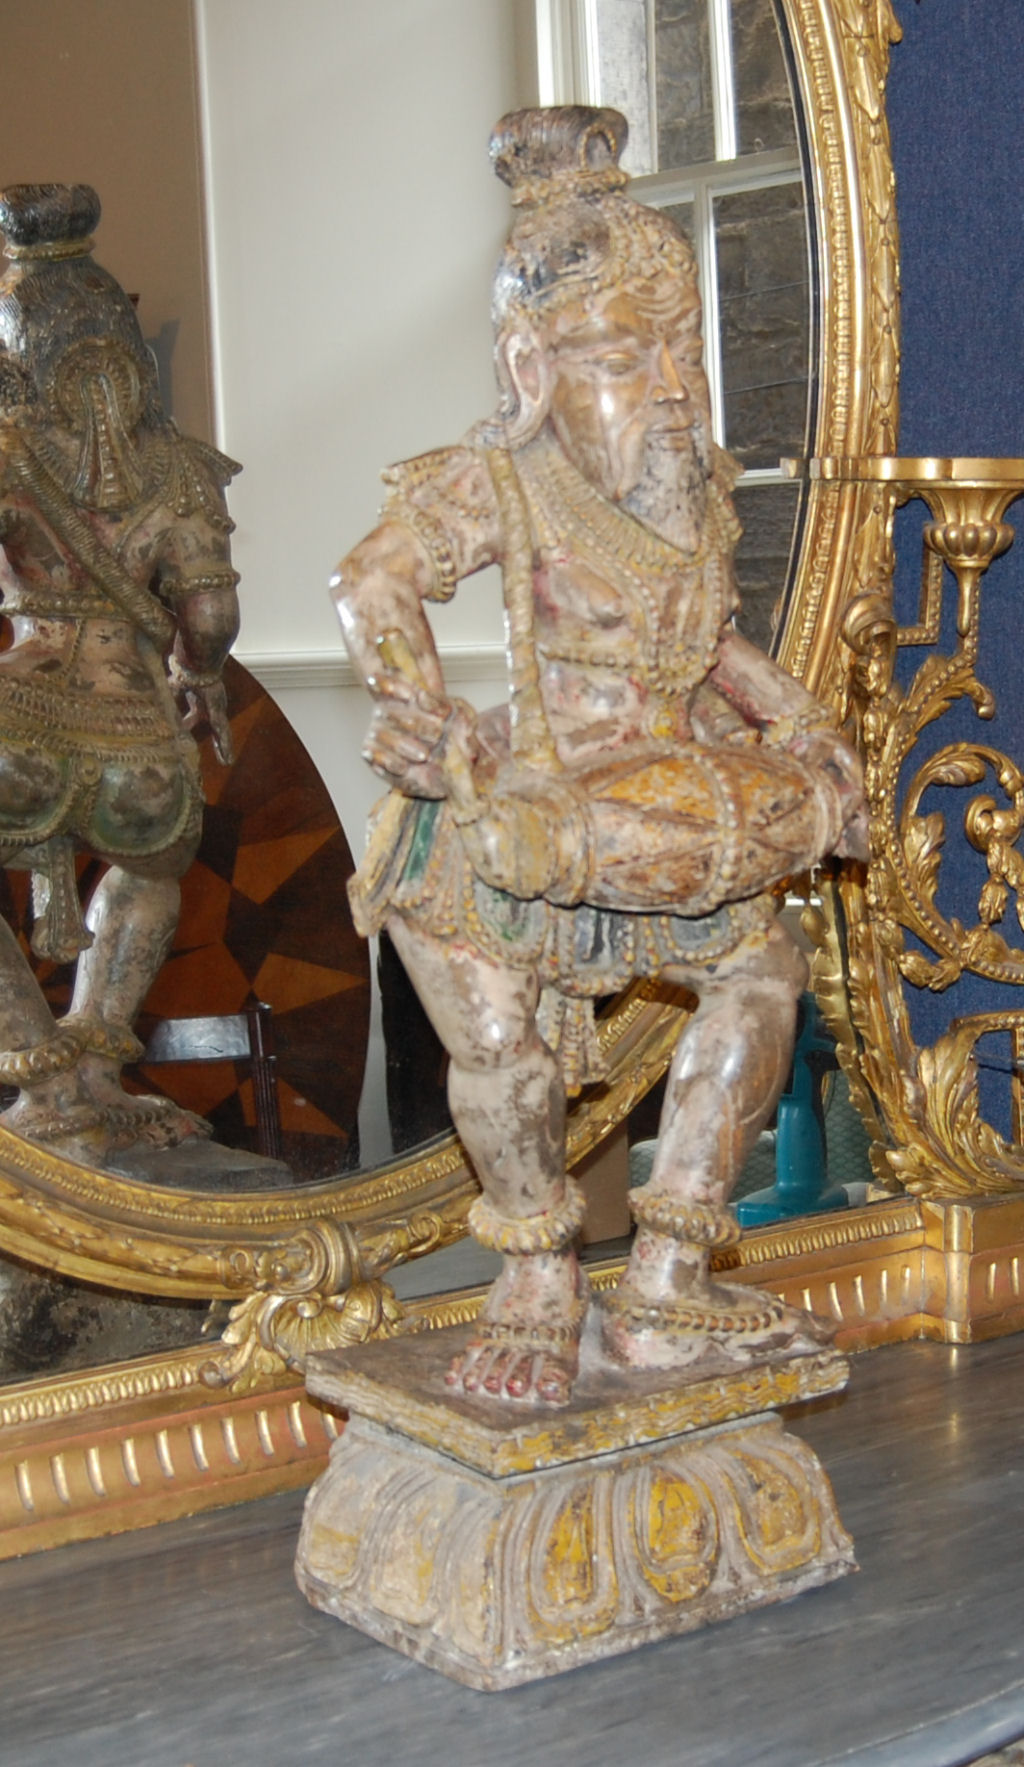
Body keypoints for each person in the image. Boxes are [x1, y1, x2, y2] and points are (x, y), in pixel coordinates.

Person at [333, 108, 866, 1406]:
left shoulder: (689, 477)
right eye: (630, 353)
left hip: (663, 793)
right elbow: (370, 583)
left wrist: (802, 731)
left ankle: (670, 1276)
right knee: (501, 1045)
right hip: (512, 807)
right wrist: (418, 709)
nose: (673, 385)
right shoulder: (497, 479)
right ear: (531, 366)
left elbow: (711, 642)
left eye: (681, 348)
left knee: (762, 971)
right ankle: (535, 1273)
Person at [0, 183, 239, 1163]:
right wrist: (200, 675)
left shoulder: (10, 447)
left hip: (20, 706)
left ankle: (39, 1076)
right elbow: (212, 611)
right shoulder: (178, 465)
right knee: (147, 873)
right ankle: (97, 1068)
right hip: (136, 729)